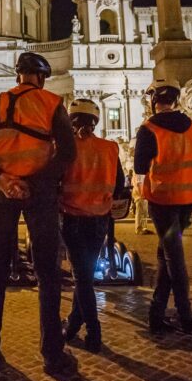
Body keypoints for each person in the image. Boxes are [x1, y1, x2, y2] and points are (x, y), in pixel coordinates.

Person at [0, 52, 77, 376]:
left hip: (3, 193)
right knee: (48, 272)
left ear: (18, 77)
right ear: (40, 78)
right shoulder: (52, 103)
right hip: (38, 194)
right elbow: (68, 152)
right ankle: (52, 354)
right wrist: (34, 181)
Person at [135, 78, 192, 335]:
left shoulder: (150, 127)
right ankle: (156, 314)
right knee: (165, 255)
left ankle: (186, 316)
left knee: (174, 258)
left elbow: (140, 167)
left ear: (154, 102)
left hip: (162, 199)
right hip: (188, 200)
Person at [60, 99, 124, 352]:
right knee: (85, 275)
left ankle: (94, 331)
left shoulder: (66, 149)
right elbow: (120, 185)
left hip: (73, 218)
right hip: (100, 219)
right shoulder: (110, 148)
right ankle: (74, 323)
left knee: (83, 278)